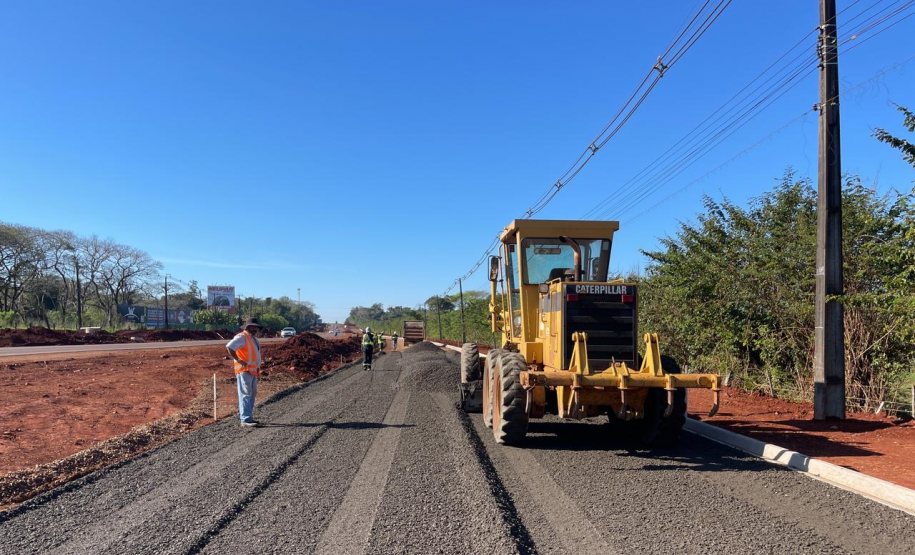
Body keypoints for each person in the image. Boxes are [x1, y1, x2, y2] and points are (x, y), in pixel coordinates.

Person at [226, 317, 264, 427]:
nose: (254, 329)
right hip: (244, 370)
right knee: (245, 394)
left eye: (255, 327)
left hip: (252, 371)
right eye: (251, 327)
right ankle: (245, 419)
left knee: (251, 394)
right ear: (247, 327)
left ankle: (249, 417)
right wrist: (238, 359)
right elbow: (229, 346)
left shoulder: (253, 339)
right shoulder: (242, 337)